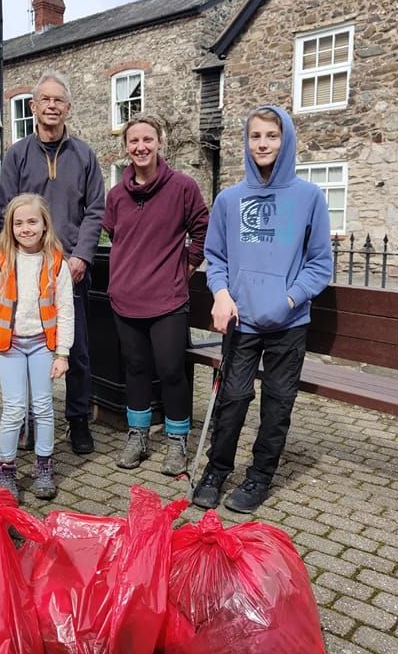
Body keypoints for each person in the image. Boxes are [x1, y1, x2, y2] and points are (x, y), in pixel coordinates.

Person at [193, 105, 332, 514]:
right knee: (232, 398)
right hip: (242, 320)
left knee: (277, 402)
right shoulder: (229, 199)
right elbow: (214, 257)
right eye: (255, 136)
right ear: (246, 141)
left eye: (271, 136)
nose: (263, 144)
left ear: (285, 139)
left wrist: (289, 298)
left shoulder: (309, 198)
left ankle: (259, 477)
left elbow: (320, 264)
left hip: (288, 324)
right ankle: (217, 470)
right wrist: (220, 294)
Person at [0, 71, 105, 456]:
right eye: (46, 100)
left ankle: (77, 421)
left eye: (59, 100)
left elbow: (95, 211)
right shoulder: (17, 155)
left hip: (70, 270)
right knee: (24, 346)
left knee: (75, 350)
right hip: (26, 271)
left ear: (68, 108)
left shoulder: (85, 156)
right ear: (34, 106)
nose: (52, 106)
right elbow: (6, 213)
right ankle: (24, 420)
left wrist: (82, 257)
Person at [101, 114, 209, 476]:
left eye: (148, 139)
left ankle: (177, 440)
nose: (141, 147)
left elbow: (203, 230)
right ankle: (139, 435)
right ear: (126, 147)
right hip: (126, 299)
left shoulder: (183, 187)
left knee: (170, 370)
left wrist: (187, 267)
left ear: (159, 142)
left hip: (168, 300)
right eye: (134, 141)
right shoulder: (116, 195)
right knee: (135, 368)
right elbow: (117, 238)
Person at [0, 193, 73, 500]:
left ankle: (44, 466)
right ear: (10, 226)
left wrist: (63, 353)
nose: (26, 228)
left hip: (44, 346)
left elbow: (66, 311)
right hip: (10, 347)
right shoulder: (1, 260)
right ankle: (5, 469)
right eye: (18, 223)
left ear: (45, 225)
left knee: (43, 407)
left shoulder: (57, 264)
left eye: (32, 221)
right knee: (14, 409)